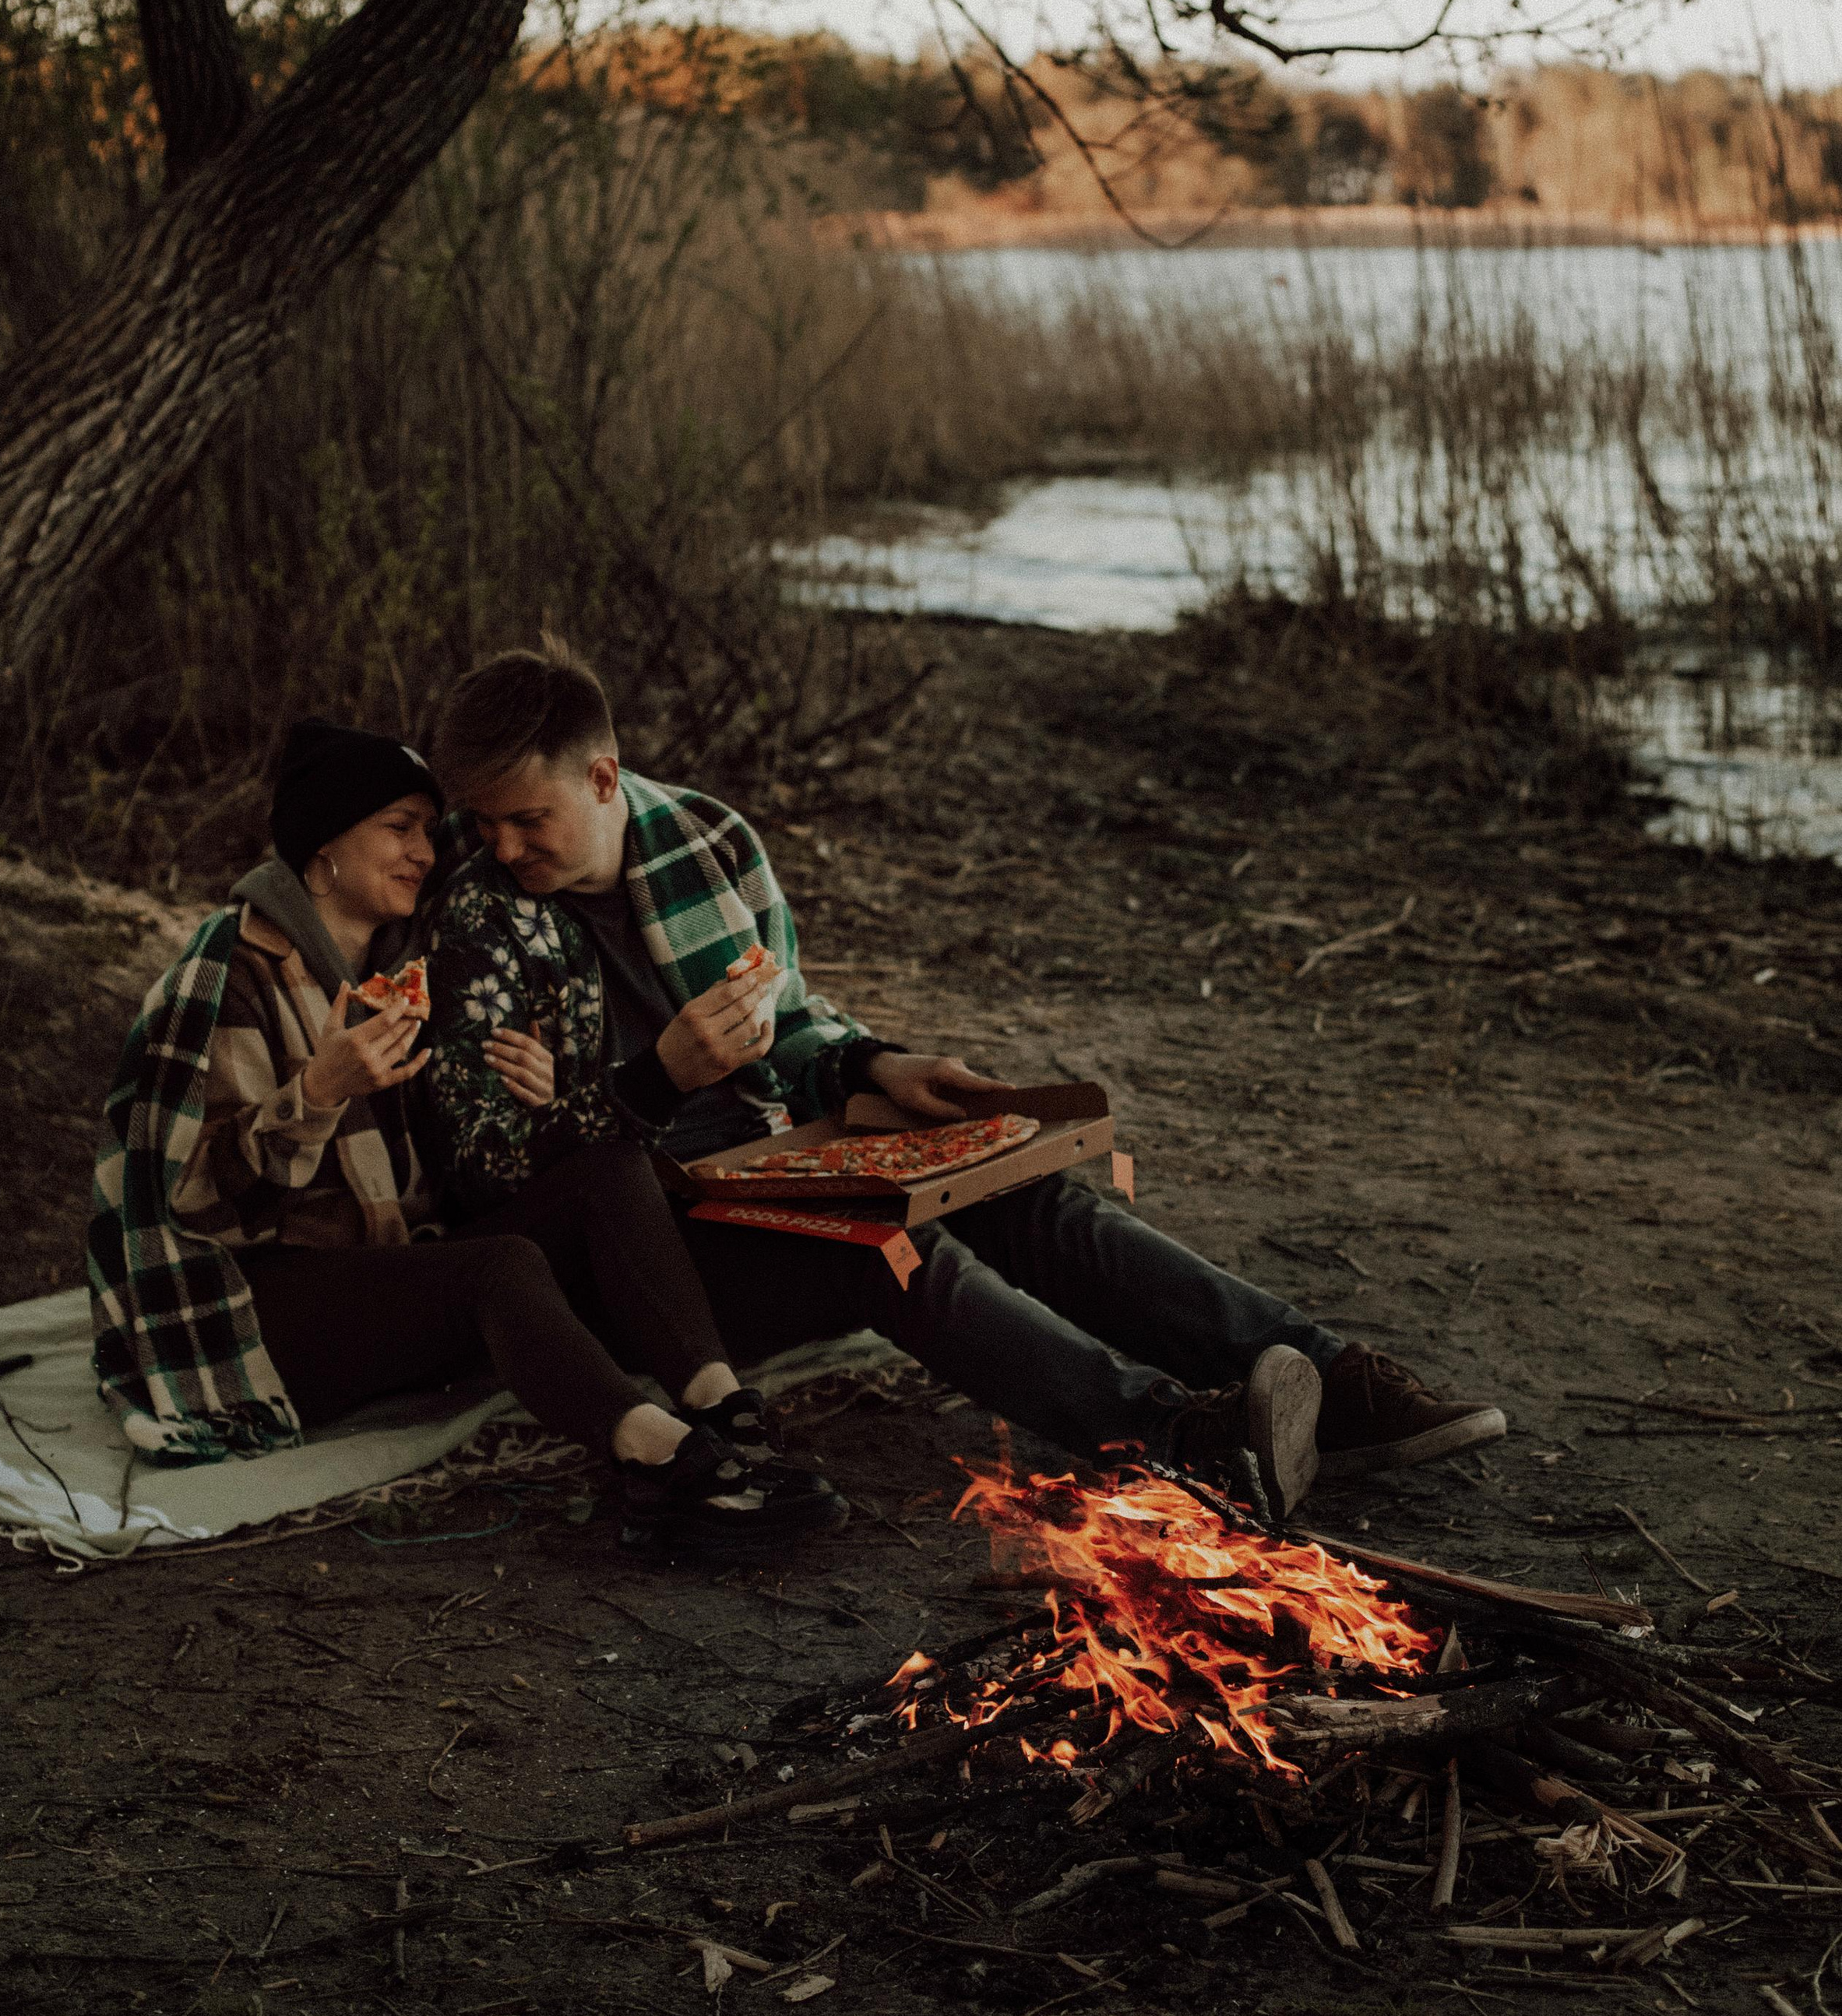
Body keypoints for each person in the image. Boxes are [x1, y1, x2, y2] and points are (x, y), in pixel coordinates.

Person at [421, 647, 1507, 1524]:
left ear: (604, 778)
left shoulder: (706, 840)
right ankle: (1179, 1435)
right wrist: (657, 1078)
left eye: (529, 818)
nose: (502, 845)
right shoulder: (484, 919)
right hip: (656, 1236)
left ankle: (1334, 1377)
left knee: (1019, 1188)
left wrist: (876, 1064)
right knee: (890, 1245)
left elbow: (793, 1025)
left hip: (772, 1150)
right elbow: (503, 1177)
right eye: (484, 820)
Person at [89, 718, 843, 1552]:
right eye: (399, 828)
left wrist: (547, 1098)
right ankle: (661, 1468)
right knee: (499, 1267)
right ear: (323, 846)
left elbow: (462, 1163)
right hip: (260, 1304)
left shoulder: (401, 956)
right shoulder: (226, 974)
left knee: (609, 1160)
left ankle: (726, 1415)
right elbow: (191, 1204)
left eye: (427, 827)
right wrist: (318, 1091)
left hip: (391, 1262)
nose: (427, 849)